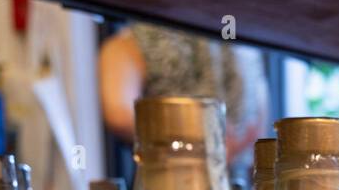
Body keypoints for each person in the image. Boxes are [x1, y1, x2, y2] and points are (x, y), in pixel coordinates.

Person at [98, 23, 268, 167]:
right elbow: (119, 113)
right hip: (178, 177)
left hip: (223, 176)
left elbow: (119, 113)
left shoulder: (244, 40)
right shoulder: (139, 37)